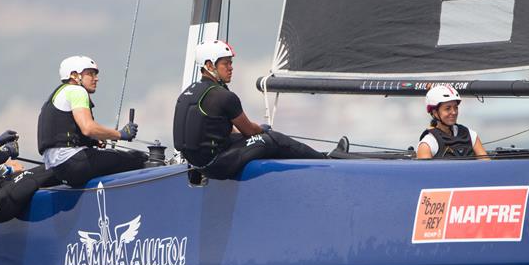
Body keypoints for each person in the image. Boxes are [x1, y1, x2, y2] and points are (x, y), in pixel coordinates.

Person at [173, 40, 348, 180]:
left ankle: (316, 157)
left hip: (198, 166)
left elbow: (212, 129)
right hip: (218, 166)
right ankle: (328, 162)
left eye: (231, 63)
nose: (231, 67)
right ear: (210, 66)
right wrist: (263, 130)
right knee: (272, 139)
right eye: (225, 63)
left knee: (259, 136)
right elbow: (249, 130)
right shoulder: (223, 96)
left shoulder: (188, 93)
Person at [37, 55, 147, 187]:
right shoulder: (77, 91)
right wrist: (121, 134)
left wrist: (93, 141)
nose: (96, 78)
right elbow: (88, 128)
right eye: (90, 74)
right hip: (72, 161)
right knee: (136, 158)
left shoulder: (58, 94)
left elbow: (69, 131)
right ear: (74, 75)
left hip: (58, 167)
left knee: (111, 159)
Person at [416, 85, 489, 160]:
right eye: (448, 108)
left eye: (455, 107)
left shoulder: (470, 135)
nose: (454, 112)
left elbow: (487, 166)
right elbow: (425, 171)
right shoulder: (428, 144)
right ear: (435, 113)